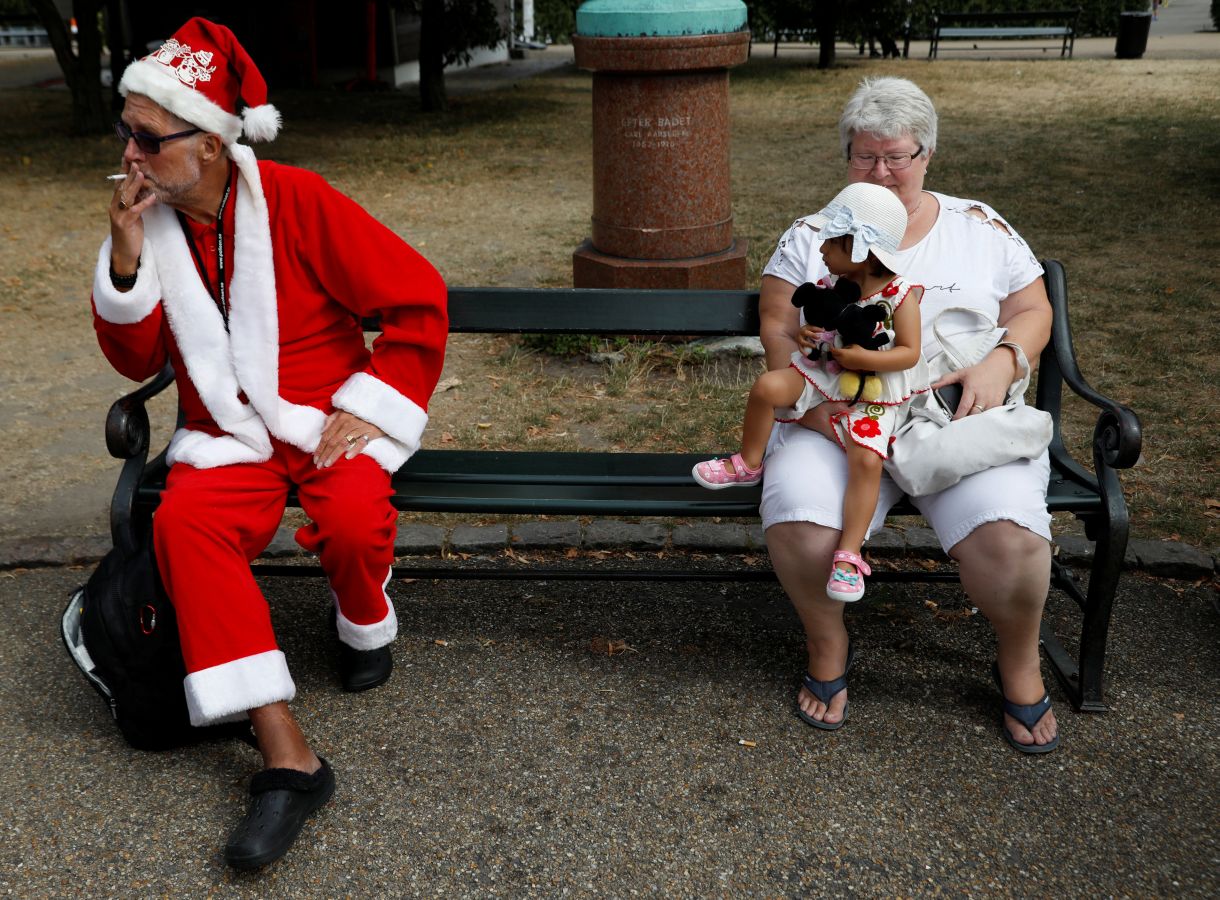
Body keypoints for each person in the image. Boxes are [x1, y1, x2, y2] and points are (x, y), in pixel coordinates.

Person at [90, 18, 448, 867]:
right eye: (125, 132)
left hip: (320, 420)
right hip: (225, 433)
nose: (130, 154)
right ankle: (287, 754)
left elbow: (416, 296)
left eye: (148, 138)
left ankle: (364, 623)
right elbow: (135, 359)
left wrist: (376, 402)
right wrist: (126, 258)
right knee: (184, 524)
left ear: (211, 145)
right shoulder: (151, 221)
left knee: (355, 521)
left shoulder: (298, 200)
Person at [758, 76, 1059, 753]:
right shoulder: (813, 235)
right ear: (846, 156)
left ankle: (1019, 659)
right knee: (805, 527)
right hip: (843, 417)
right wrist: (810, 403)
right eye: (865, 156)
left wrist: (1003, 360)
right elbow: (777, 321)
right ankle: (827, 641)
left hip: (955, 419)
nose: (881, 173)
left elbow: (1032, 308)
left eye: (897, 156)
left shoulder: (978, 226)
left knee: (1010, 541)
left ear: (928, 155)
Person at [693, 182, 924, 621]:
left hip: (871, 390)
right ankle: (749, 462)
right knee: (768, 388)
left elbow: (910, 353)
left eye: (830, 242)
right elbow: (812, 327)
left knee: (866, 459)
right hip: (823, 374)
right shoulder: (832, 284)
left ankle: (848, 554)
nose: (820, 249)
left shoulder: (901, 295)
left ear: (860, 249)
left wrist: (865, 357)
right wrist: (805, 335)